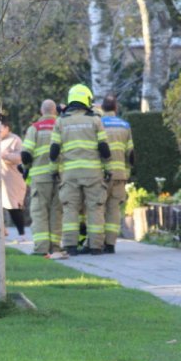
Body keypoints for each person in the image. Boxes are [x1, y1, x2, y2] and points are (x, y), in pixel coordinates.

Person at [50, 84, 110, 256]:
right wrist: (108, 169)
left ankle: (70, 246)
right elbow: (104, 150)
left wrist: (55, 171)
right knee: (95, 208)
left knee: (70, 209)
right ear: (87, 100)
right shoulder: (95, 120)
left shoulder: (61, 121)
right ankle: (96, 247)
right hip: (93, 173)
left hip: (70, 174)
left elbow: (54, 152)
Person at [22, 99, 63, 257]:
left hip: (40, 177)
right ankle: (55, 247)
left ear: (41, 111)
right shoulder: (62, 126)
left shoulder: (35, 128)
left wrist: (26, 169)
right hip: (60, 176)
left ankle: (41, 248)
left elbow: (26, 154)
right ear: (55, 111)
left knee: (39, 213)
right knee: (56, 213)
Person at [100, 94, 134, 254]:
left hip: (101, 174)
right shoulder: (125, 125)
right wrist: (128, 171)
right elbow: (131, 153)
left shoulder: (97, 123)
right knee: (114, 209)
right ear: (116, 108)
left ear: (102, 107)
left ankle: (96, 243)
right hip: (120, 174)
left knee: (98, 208)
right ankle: (110, 244)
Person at [0, 115, 27, 243]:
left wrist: (6, 155)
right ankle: (1, 231)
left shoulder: (15, 139)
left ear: (6, 128)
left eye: (0, 129)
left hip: (12, 180)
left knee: (13, 207)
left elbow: (20, 157)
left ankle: (22, 233)